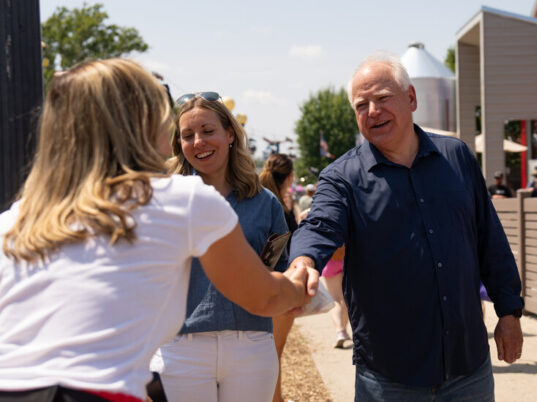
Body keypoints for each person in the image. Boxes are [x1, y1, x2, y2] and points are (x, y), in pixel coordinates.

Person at [0, 59, 310, 401]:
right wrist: (302, 289)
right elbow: (265, 294)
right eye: (160, 111)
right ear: (139, 124)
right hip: (97, 390)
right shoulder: (183, 201)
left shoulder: (13, 221)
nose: (176, 131)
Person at [287, 53, 524, 401]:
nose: (372, 111)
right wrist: (304, 262)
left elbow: (490, 240)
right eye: (361, 105)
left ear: (411, 98)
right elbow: (320, 226)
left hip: (467, 368)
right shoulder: (341, 178)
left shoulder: (457, 158)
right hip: (388, 377)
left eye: (382, 98)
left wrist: (509, 311)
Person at [149, 93, 291, 402]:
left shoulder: (265, 203)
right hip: (180, 349)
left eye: (207, 131)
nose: (198, 141)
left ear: (230, 134)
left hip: (251, 346)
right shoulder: (163, 202)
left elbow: (278, 272)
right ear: (179, 145)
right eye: (188, 135)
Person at [258, 153, 298, 402]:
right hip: (279, 286)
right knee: (274, 352)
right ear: (290, 177)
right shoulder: (279, 208)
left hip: (261, 284)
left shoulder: (262, 203)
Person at [321, 245, 351, 348]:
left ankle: (340, 331)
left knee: (335, 299)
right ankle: (344, 331)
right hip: (347, 259)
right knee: (345, 299)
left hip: (331, 261)